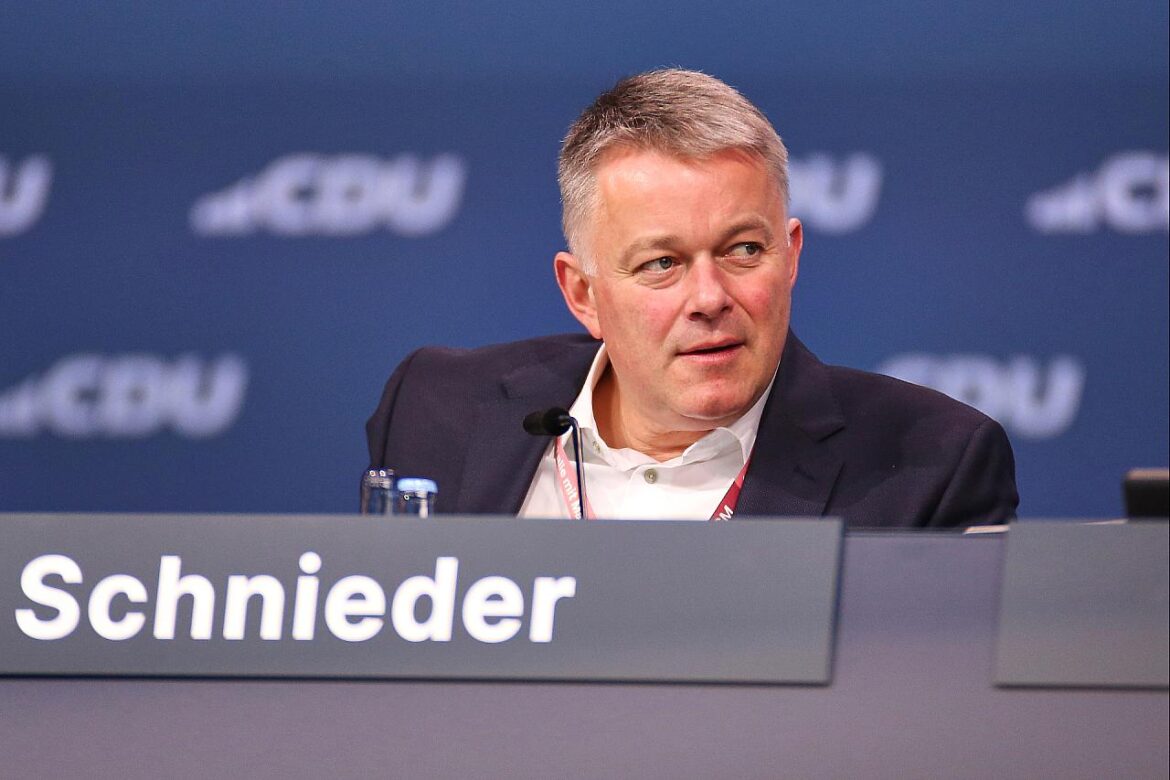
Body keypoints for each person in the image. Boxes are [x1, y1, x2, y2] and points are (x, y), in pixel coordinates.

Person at [365, 69, 1018, 527]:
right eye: (662, 263)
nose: (709, 298)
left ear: (791, 255)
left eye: (743, 250)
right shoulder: (435, 409)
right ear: (583, 293)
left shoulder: (928, 465)